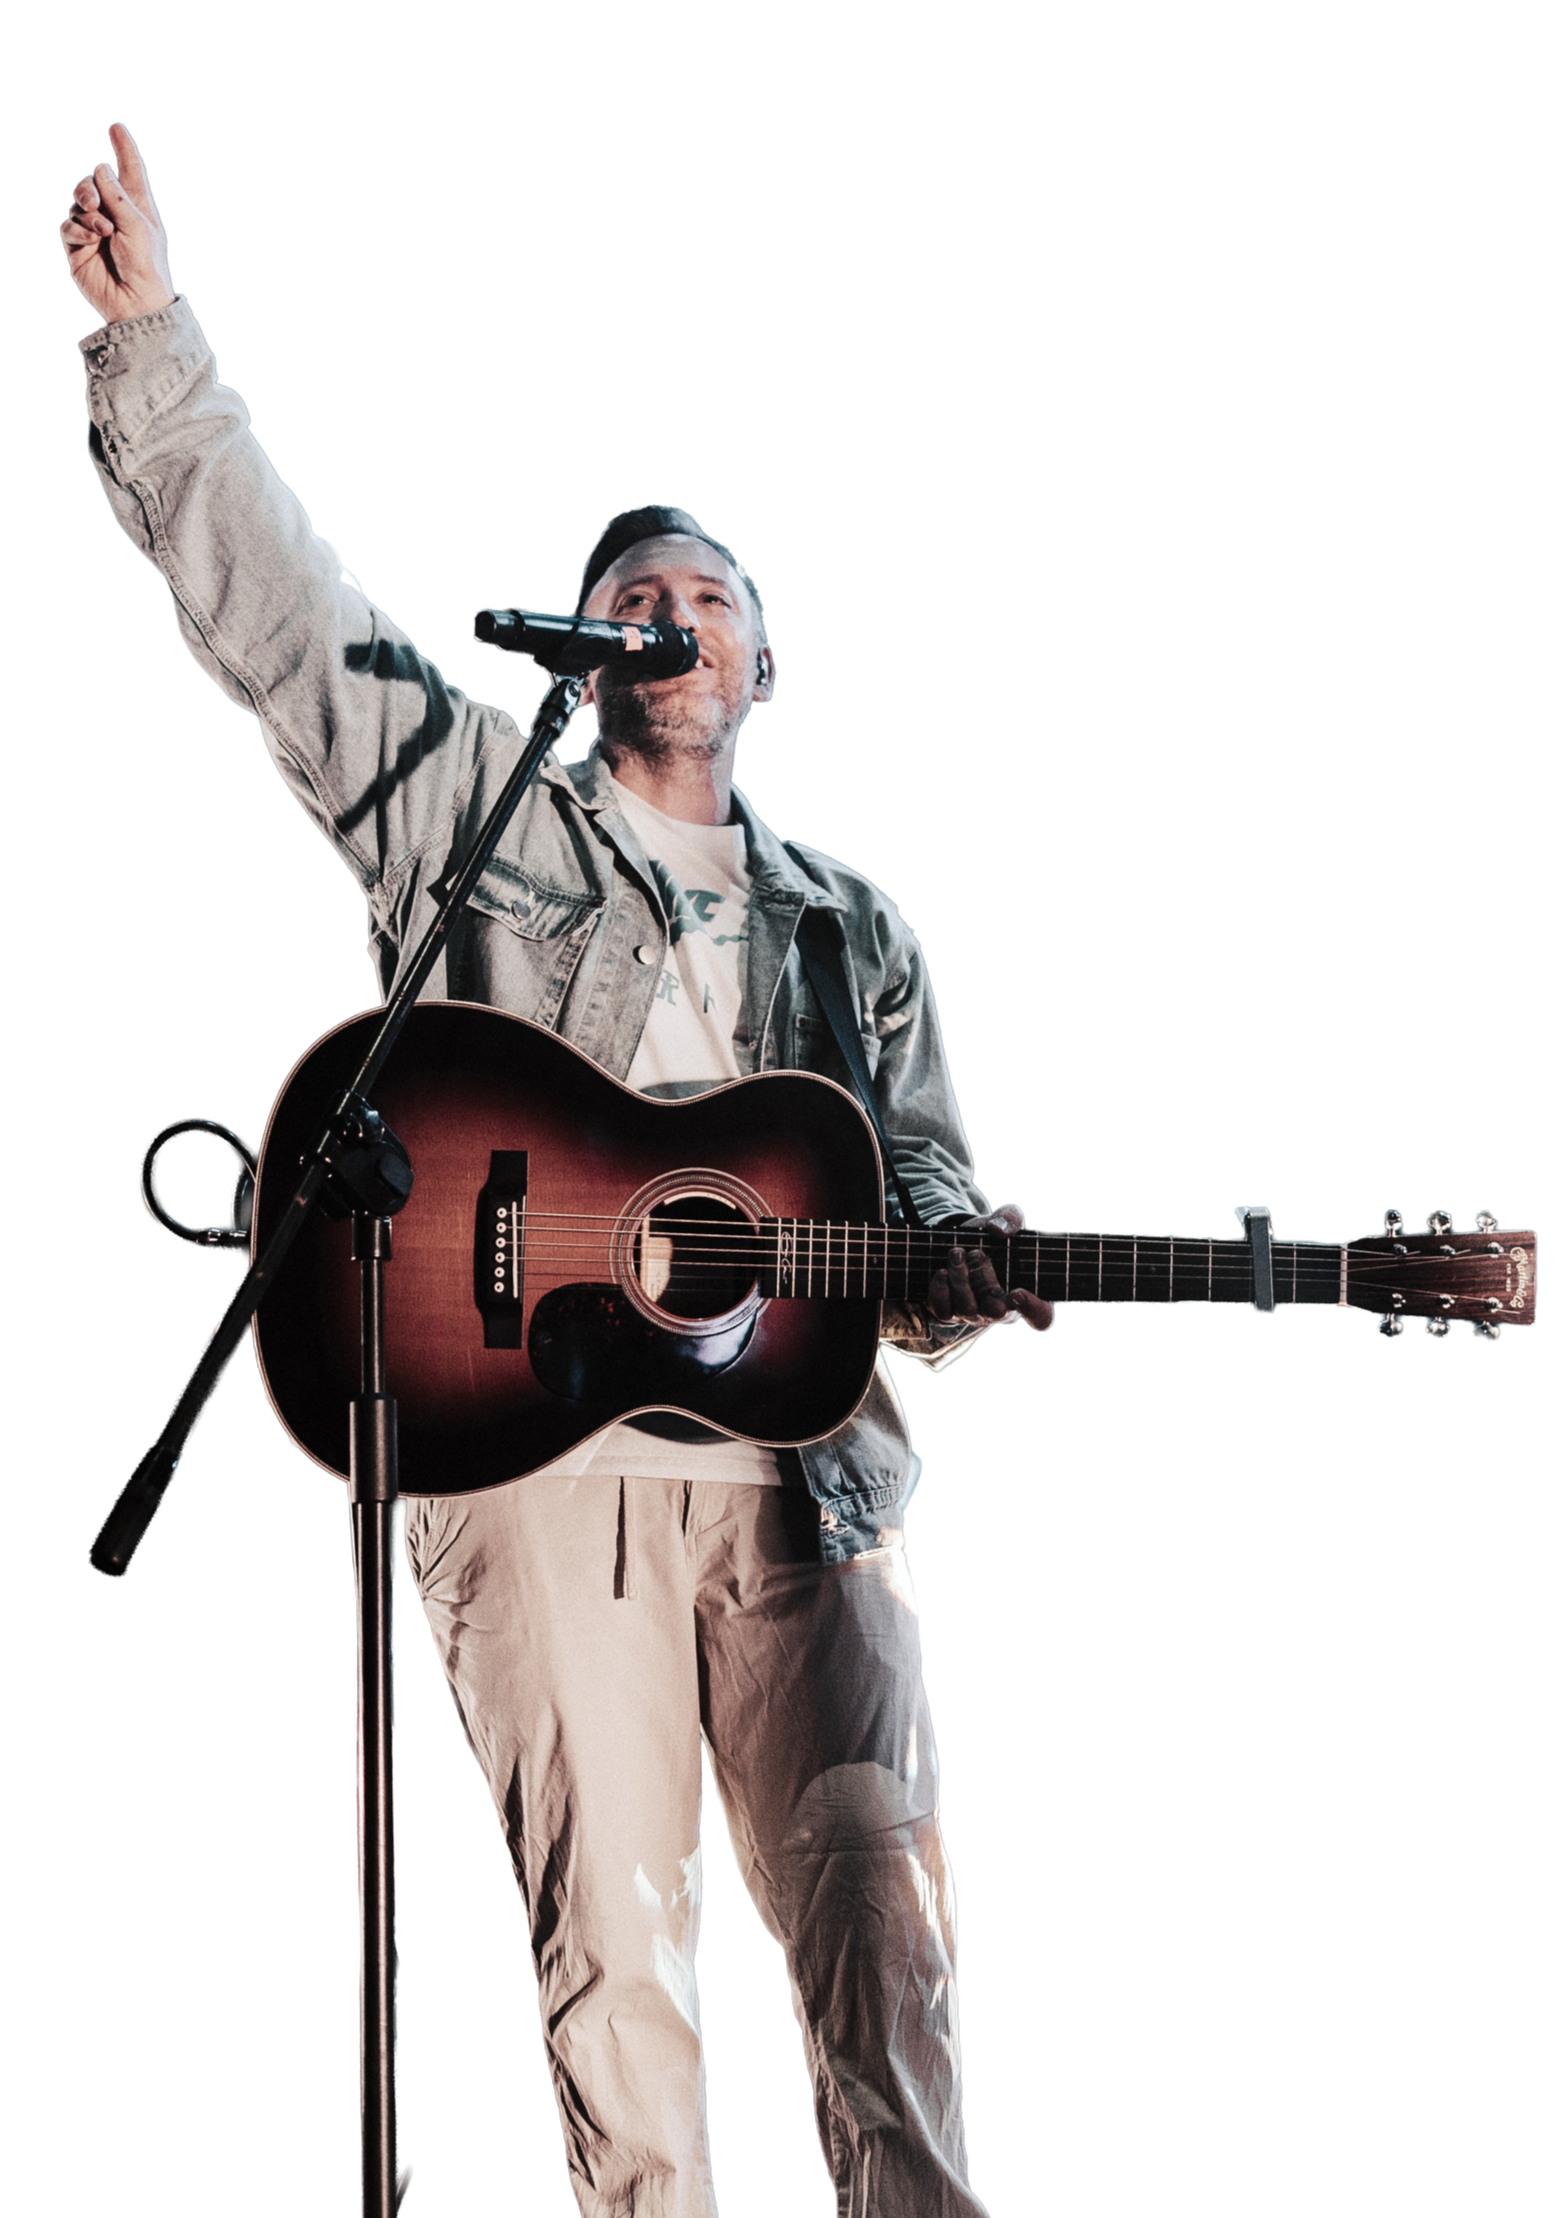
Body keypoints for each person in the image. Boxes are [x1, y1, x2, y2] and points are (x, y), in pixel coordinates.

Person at [63, 123, 1056, 2218]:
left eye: (709, 594)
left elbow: (934, 1190)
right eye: (631, 595)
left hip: (808, 1478)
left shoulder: (855, 934)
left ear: (767, 664)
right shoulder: (493, 823)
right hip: (542, 1442)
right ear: (589, 652)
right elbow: (297, 629)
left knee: (888, 1944)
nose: (669, 611)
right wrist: (158, 348)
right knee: (617, 1955)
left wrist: (960, 1274)